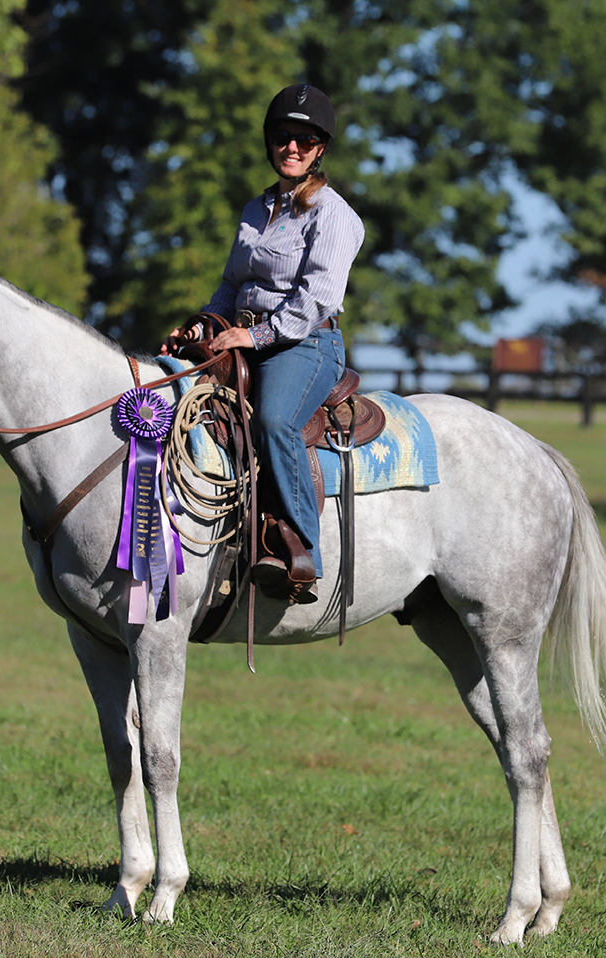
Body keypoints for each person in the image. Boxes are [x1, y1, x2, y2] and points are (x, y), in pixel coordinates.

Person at [163, 84, 365, 604]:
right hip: (242, 339)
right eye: (283, 137)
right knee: (167, 394)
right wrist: (204, 326)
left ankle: (302, 553)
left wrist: (254, 334)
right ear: (270, 142)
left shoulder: (334, 214)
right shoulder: (256, 209)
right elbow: (232, 284)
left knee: (275, 419)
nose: (292, 148)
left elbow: (316, 298)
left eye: (305, 139)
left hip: (302, 345)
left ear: (321, 149)